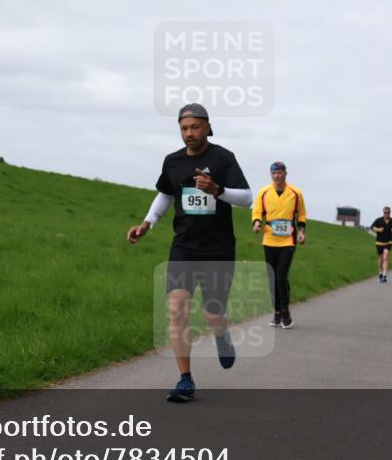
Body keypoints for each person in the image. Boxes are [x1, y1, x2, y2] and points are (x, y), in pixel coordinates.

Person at [127, 104, 251, 402]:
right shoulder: (173, 162)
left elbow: (247, 198)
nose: (189, 133)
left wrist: (217, 191)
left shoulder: (223, 157)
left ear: (208, 127)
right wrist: (148, 223)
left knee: (212, 314)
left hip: (218, 249)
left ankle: (221, 334)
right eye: (184, 128)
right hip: (184, 246)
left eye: (195, 127)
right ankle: (185, 379)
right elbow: (166, 193)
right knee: (177, 307)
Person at [251, 161, 306, 329]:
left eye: (280, 173)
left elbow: (301, 213)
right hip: (269, 239)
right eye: (274, 173)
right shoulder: (264, 192)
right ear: (271, 175)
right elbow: (257, 211)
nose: (277, 176)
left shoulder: (295, 193)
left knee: (281, 276)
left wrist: (301, 231)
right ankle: (276, 313)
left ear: (285, 173)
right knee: (272, 277)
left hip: (288, 239)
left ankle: (286, 312)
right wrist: (257, 223)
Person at [370, 206, 392, 282]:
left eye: (388, 212)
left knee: (385, 257)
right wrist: (378, 229)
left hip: (388, 242)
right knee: (380, 258)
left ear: (390, 213)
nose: (387, 214)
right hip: (379, 242)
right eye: (385, 212)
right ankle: (380, 272)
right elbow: (372, 227)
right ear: (383, 213)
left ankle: (384, 275)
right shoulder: (379, 220)